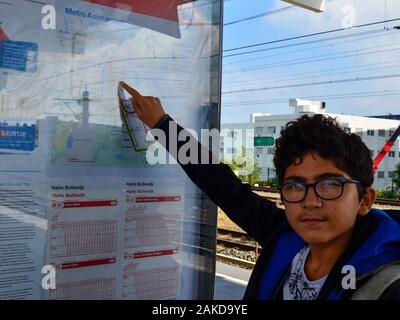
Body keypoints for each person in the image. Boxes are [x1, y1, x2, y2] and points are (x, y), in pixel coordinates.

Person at [118, 81, 400, 300]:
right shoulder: (285, 238)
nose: (310, 201)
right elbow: (222, 185)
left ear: (364, 200)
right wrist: (163, 127)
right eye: (295, 186)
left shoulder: (388, 284)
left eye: (330, 185)